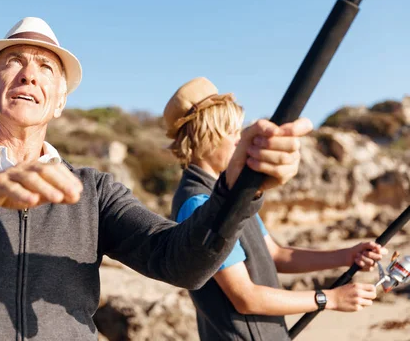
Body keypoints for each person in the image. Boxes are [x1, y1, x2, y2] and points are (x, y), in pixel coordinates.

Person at [0, 18, 312, 341]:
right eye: (13, 62)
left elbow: (179, 263)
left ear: (59, 101)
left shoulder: (94, 191)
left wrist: (236, 188)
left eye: (45, 67)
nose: (28, 75)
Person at [164, 77, 386, 341]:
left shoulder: (229, 195)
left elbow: (276, 254)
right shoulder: (197, 203)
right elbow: (246, 299)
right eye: (232, 132)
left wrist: (346, 256)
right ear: (205, 135)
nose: (239, 141)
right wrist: (330, 298)